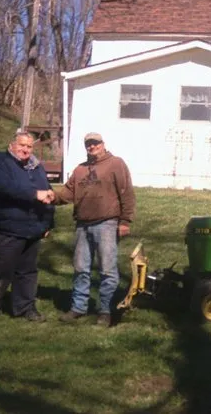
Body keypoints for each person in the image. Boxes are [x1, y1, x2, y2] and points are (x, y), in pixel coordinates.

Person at [55, 131, 135, 326]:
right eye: (89, 144)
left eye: (95, 143)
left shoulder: (116, 163)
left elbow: (127, 193)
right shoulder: (80, 170)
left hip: (107, 223)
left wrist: (125, 222)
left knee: (107, 270)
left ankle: (105, 311)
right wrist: (50, 196)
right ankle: (78, 307)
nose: (92, 147)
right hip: (82, 225)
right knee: (81, 269)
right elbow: (67, 193)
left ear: (102, 144)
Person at [0, 130, 56, 324]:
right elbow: (0, 187)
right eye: (21, 145)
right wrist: (34, 194)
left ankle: (25, 308)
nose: (25, 150)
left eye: (29, 146)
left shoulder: (36, 167)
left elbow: (47, 194)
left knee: (27, 273)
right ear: (11, 145)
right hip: (4, 228)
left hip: (32, 230)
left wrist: (47, 223)